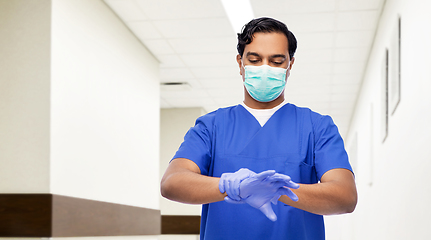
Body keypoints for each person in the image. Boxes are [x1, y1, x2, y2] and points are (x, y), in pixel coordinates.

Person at [161, 17, 357, 240]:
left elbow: (345, 196)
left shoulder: (317, 126)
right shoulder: (212, 126)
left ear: (290, 64)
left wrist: (277, 190)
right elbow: (171, 182)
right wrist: (236, 187)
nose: (265, 69)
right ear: (240, 63)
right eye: (254, 60)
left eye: (276, 61)